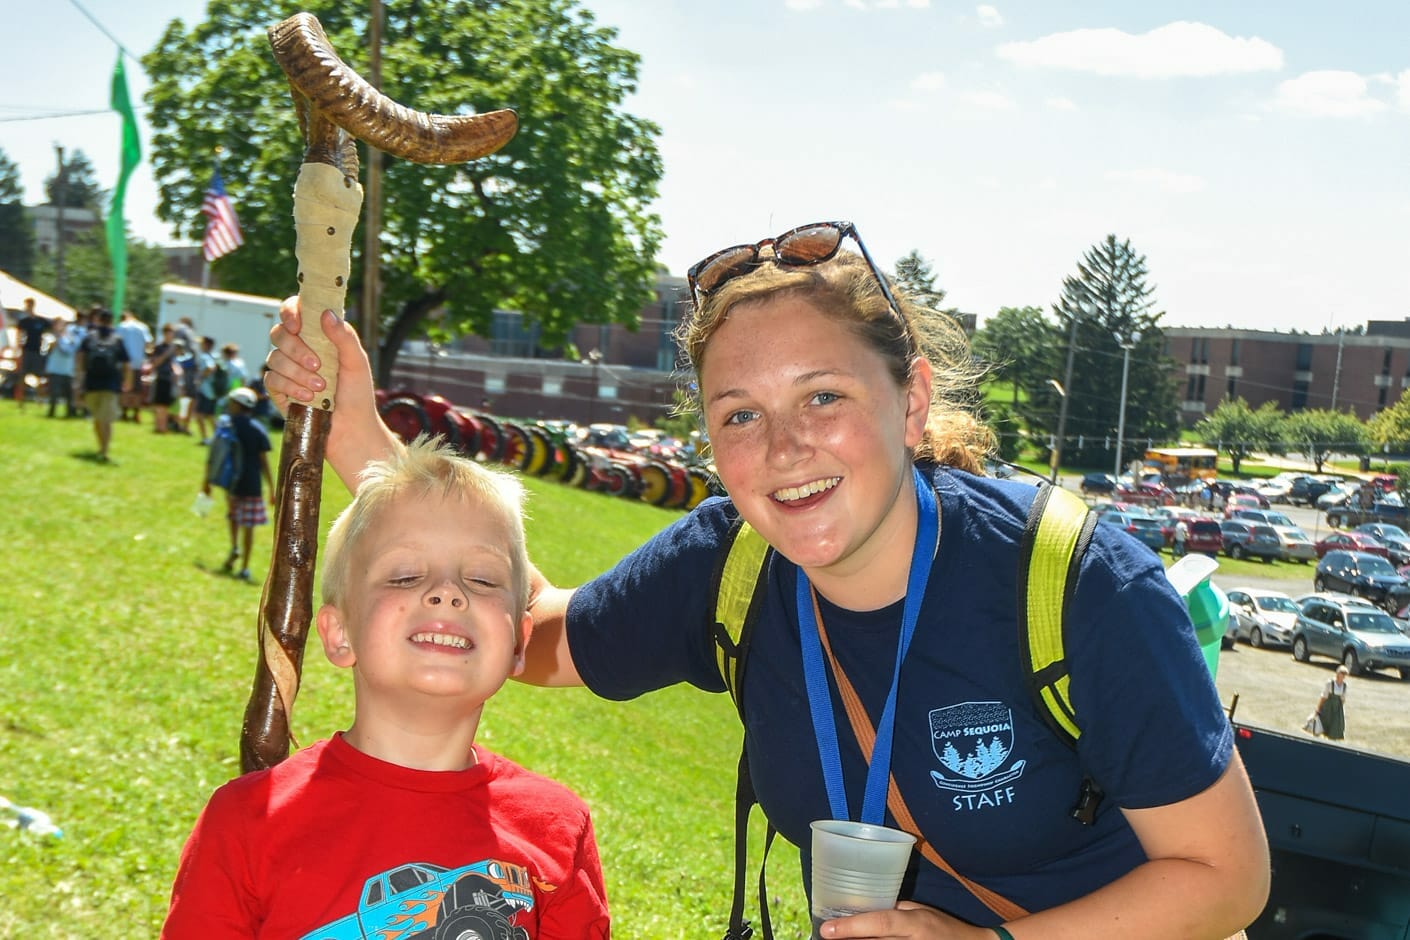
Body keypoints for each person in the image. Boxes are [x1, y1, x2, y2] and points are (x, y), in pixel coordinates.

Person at [266, 220, 1268, 938]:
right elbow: (524, 632)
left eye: (823, 397)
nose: (784, 448)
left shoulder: (1074, 582)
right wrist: (358, 436)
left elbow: (1228, 877)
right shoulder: (730, 564)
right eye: (739, 414)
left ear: (911, 400)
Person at [164, 437, 609, 937]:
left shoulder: (555, 827)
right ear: (340, 633)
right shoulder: (245, 823)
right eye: (405, 575)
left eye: (483, 580)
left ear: (518, 643)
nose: (447, 592)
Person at [203, 387, 273, 581]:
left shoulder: (225, 425)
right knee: (248, 526)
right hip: (252, 484)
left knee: (233, 516)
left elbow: (213, 456)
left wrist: (206, 482)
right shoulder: (258, 429)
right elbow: (264, 462)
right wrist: (272, 488)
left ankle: (234, 547)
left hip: (230, 482)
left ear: (236, 404)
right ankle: (244, 567)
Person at [74, 308, 131, 462]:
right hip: (111, 383)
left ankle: (102, 448)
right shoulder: (117, 339)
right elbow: (126, 363)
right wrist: (127, 381)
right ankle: (104, 450)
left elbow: (80, 358)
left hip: (91, 382)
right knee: (106, 419)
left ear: (97, 320)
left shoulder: (89, 338)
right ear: (112, 321)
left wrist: (79, 379)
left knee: (97, 418)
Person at [115, 310, 153, 422]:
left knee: (124, 387)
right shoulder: (142, 327)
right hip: (138, 361)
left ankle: (124, 412)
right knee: (137, 389)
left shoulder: (121, 326)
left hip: (124, 361)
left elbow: (117, 342)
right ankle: (136, 413)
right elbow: (148, 343)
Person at [13, 297, 51, 406]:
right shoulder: (23, 322)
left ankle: (40, 400)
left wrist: (47, 345)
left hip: (37, 351)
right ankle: (20, 400)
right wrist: (18, 349)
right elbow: (19, 336)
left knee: (39, 376)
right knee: (22, 376)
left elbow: (50, 331)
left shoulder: (41, 321)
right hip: (26, 351)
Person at [148, 324, 182, 433]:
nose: (170, 335)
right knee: (159, 404)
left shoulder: (174, 348)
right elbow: (155, 363)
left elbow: (176, 363)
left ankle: (162, 427)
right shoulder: (159, 347)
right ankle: (159, 427)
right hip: (161, 377)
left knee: (166, 405)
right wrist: (167, 353)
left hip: (170, 379)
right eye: (168, 333)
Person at [43, 318, 80, 419]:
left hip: (67, 370)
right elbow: (47, 349)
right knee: (54, 393)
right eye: (57, 324)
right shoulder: (51, 337)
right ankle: (51, 412)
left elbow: (75, 347)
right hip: (55, 369)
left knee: (69, 394)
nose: (59, 327)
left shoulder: (71, 337)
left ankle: (69, 413)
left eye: (62, 325)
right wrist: (57, 337)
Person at [1315, 665, 1349, 741]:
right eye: (1342, 673)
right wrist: (1318, 708)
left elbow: (1343, 699)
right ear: (1337, 673)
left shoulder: (1345, 685)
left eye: (1345, 674)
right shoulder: (1330, 683)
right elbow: (1324, 696)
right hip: (1327, 707)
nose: (1343, 676)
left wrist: (1340, 710)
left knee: (1335, 725)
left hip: (1337, 708)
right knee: (1324, 723)